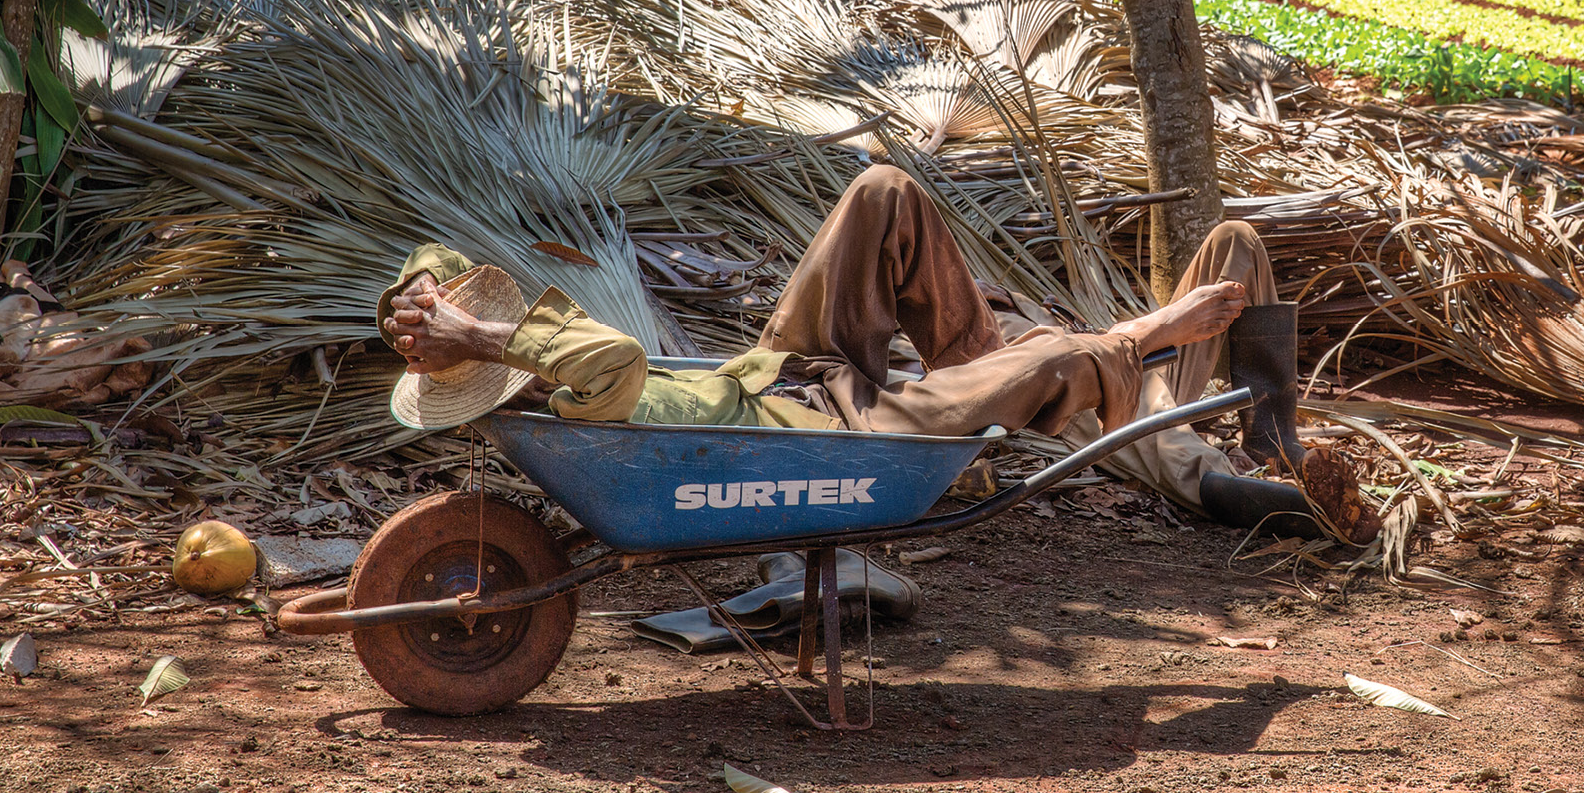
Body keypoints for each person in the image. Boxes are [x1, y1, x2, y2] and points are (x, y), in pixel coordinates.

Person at [378, 165, 1295, 511]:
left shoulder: (536, 364)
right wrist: (481, 335)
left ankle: (1019, 367)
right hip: (841, 433)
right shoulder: (576, 390)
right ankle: (1141, 363)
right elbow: (611, 357)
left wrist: (416, 299)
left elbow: (433, 258)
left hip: (791, 372)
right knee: (1068, 356)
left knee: (882, 190)